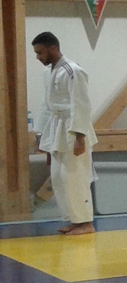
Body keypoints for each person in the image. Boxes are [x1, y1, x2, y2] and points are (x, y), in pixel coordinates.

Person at [31, 32, 97, 235]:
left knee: (75, 176)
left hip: (73, 128)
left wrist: (80, 137)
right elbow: (46, 105)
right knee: (59, 178)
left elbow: (81, 104)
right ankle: (73, 220)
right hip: (56, 127)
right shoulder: (49, 72)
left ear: (53, 48)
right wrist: (40, 135)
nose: (38, 57)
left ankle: (86, 223)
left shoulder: (73, 71)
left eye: (40, 52)